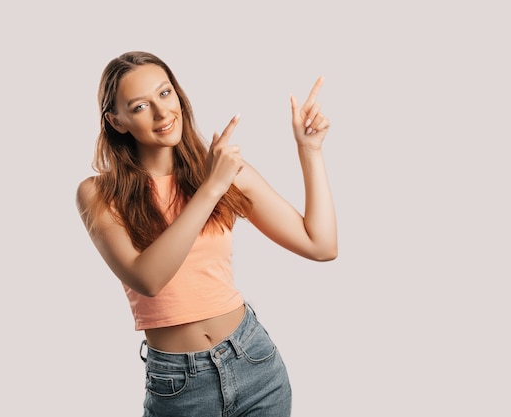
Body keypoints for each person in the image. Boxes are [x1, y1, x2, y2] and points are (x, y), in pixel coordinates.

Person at [76, 51, 337, 417]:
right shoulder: (99, 194)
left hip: (255, 363)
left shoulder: (224, 172)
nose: (162, 112)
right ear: (116, 121)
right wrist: (210, 189)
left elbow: (320, 245)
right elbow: (148, 279)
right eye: (139, 106)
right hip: (179, 386)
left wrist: (309, 150)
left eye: (165, 94)